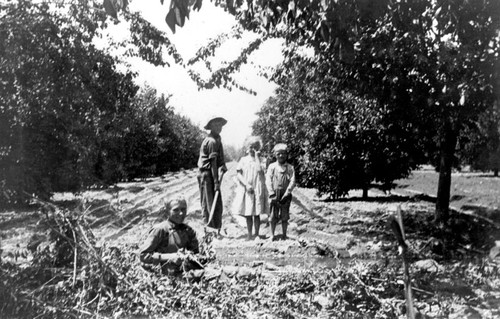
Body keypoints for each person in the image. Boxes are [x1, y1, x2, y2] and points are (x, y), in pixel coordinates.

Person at [139, 197, 200, 275]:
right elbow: (143, 255)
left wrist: (187, 256)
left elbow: (195, 254)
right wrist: (170, 257)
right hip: (164, 277)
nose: (181, 213)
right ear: (167, 212)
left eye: (183, 209)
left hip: (185, 274)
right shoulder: (160, 230)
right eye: (176, 210)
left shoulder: (188, 231)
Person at [233, 136, 269, 240]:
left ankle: (257, 233)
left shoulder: (262, 160)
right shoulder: (244, 160)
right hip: (248, 189)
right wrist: (246, 184)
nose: (254, 149)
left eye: (256, 147)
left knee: (257, 213)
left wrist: (257, 157)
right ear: (248, 148)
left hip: (257, 188)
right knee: (248, 212)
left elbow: (259, 170)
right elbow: (239, 174)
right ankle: (249, 233)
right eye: (252, 147)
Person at [197, 116, 228, 235]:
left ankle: (216, 228)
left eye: (220, 125)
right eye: (215, 125)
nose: (218, 127)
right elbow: (213, 163)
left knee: (217, 202)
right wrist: (216, 182)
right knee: (208, 202)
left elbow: (219, 159)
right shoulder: (211, 141)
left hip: (211, 173)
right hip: (206, 174)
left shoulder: (218, 139)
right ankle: (210, 230)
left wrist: (223, 164)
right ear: (210, 127)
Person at [266, 143, 296, 241]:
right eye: (278, 154)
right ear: (275, 155)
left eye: (283, 153)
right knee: (273, 215)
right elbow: (268, 181)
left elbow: (292, 181)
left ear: (286, 155)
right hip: (274, 194)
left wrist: (287, 193)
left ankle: (284, 234)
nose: (281, 156)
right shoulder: (272, 167)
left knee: (285, 215)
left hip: (285, 194)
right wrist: (271, 193)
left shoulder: (290, 168)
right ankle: (272, 234)